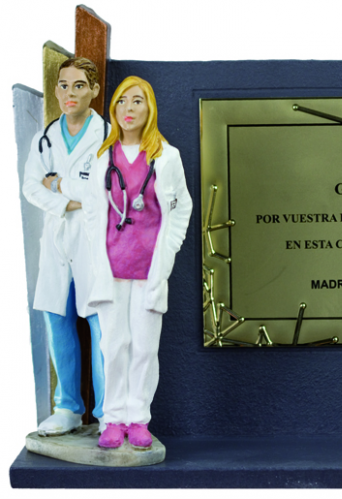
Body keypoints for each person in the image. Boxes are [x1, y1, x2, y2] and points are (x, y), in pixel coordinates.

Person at [83, 76, 192, 449]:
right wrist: (96, 258)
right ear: (113, 109)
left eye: (137, 101)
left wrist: (170, 250)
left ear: (150, 109)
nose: (128, 109)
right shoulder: (103, 157)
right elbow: (92, 213)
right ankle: (113, 419)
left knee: (145, 348)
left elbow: (182, 207)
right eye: (121, 101)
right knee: (113, 346)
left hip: (149, 268)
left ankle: (138, 420)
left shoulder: (166, 156)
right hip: (111, 269)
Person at [22, 57, 107, 435]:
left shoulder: (106, 136)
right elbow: (30, 187)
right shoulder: (46, 138)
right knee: (56, 319)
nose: (69, 93)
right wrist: (69, 202)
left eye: (78, 85)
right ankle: (68, 408)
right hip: (56, 241)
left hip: (93, 240)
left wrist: (58, 187)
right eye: (63, 85)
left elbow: (103, 191)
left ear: (94, 90)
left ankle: (107, 412)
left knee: (101, 324)